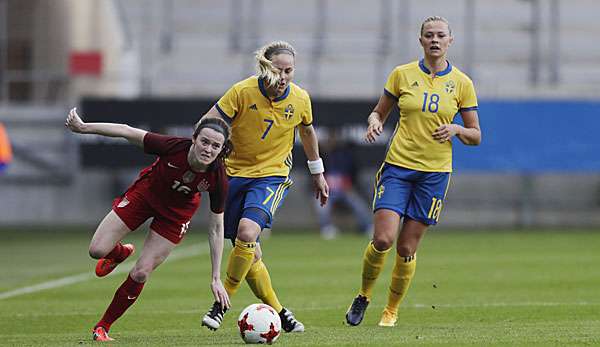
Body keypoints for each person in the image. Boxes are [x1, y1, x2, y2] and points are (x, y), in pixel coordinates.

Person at [345, 16, 481, 327]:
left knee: (407, 248)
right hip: (398, 168)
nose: (435, 40)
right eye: (429, 35)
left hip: (434, 175)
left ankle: (391, 309)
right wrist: (375, 122)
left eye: (441, 35)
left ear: (450, 41)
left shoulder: (461, 83)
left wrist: (457, 129)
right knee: (383, 239)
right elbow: (379, 111)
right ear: (420, 40)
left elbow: (476, 136)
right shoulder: (402, 74)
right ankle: (364, 295)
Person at [64, 107, 232, 341]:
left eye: (216, 146)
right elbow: (126, 131)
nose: (208, 149)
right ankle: (119, 253)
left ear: (222, 149)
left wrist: (215, 277)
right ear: (194, 139)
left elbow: (216, 227)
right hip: (145, 196)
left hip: (175, 216)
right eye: (205, 141)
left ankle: (103, 326)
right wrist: (83, 127)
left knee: (141, 272)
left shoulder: (218, 178)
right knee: (97, 250)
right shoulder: (173, 147)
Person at [199, 40, 329, 333]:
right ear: (265, 67)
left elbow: (307, 132)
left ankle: (220, 306)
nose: (283, 77)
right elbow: (208, 122)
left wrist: (317, 173)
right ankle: (281, 313)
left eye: (289, 71)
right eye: (278, 70)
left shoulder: (300, 99)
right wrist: (204, 160)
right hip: (232, 176)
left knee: (248, 233)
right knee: (251, 253)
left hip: (271, 176)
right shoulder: (242, 92)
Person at [314, 130, 372, 239]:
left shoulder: (344, 156)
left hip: (344, 190)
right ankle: (326, 228)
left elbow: (354, 175)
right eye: (328, 140)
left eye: (333, 140)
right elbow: (313, 176)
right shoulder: (320, 157)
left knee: (359, 205)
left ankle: (367, 226)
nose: (330, 143)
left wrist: (350, 185)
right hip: (326, 191)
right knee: (321, 206)